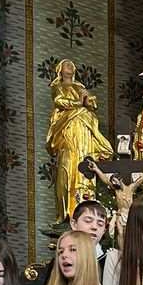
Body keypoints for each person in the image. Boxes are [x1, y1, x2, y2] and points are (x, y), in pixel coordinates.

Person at [45, 59, 113, 223]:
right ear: (60, 70)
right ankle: (66, 213)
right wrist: (78, 103)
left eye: (72, 65)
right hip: (68, 130)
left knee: (85, 167)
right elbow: (59, 101)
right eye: (66, 65)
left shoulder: (80, 86)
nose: (69, 67)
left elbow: (91, 103)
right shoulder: (58, 87)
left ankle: (86, 211)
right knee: (66, 168)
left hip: (84, 130)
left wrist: (88, 102)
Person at [85, 155, 143, 250]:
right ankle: (121, 251)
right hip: (120, 214)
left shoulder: (130, 188)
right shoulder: (116, 191)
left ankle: (130, 251)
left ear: (120, 180)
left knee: (128, 233)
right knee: (120, 234)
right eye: (113, 182)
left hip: (129, 214)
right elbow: (105, 179)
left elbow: (142, 178)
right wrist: (96, 169)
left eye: (116, 181)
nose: (114, 183)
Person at [70, 199, 108, 275]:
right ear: (74, 224)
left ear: (104, 231)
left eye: (100, 224)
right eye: (88, 221)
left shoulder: (108, 263)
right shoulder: (63, 258)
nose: (94, 227)